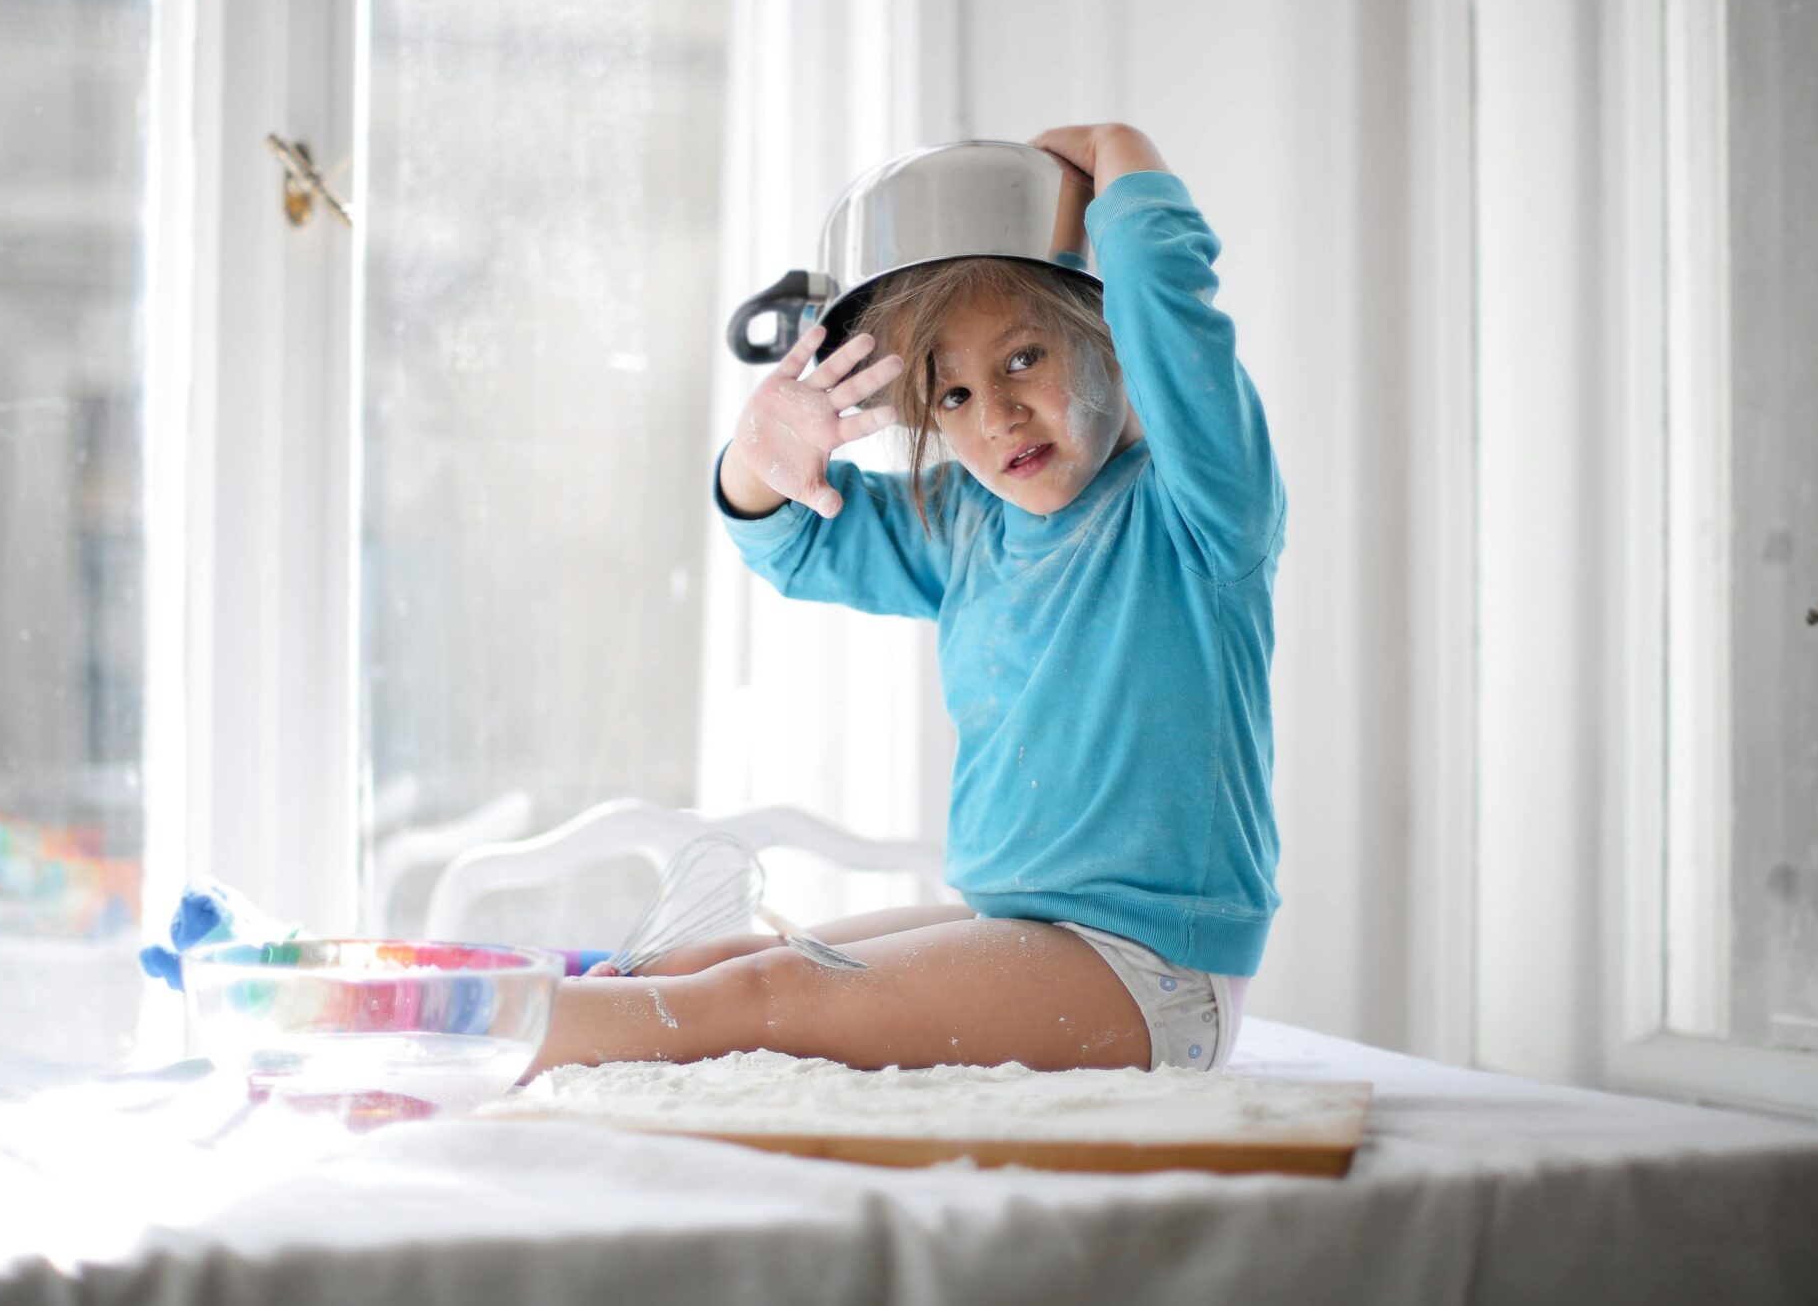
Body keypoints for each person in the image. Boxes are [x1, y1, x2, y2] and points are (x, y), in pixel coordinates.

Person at [529, 122, 1284, 1077]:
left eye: (1023, 360)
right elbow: (795, 543)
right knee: (726, 961)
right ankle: (504, 1016)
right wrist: (761, 457)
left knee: (764, 998)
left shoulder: (1199, 509)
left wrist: (1116, 148)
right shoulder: (969, 523)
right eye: (954, 394)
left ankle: (472, 1027)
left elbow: (1172, 307)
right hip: (1021, 925)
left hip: (1148, 974)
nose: (997, 414)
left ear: (1115, 340)